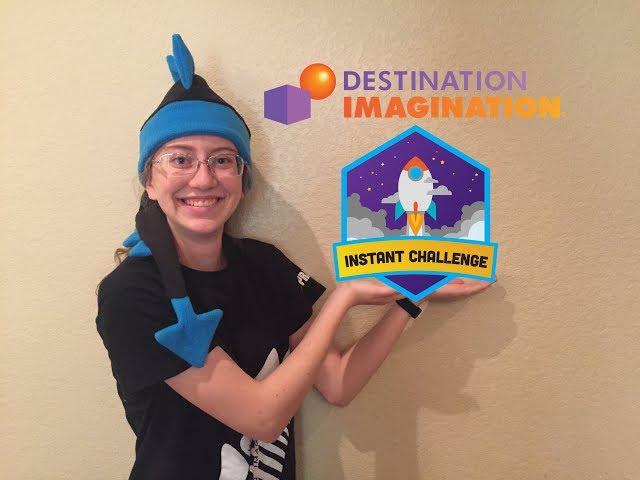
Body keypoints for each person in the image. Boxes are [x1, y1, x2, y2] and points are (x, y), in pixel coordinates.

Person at [95, 34, 493, 480]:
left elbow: (337, 384)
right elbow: (263, 417)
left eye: (222, 160)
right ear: (150, 181)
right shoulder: (132, 293)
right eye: (180, 159)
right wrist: (344, 299)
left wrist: (411, 296)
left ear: (242, 179)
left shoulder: (265, 266)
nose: (203, 179)